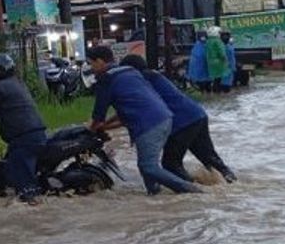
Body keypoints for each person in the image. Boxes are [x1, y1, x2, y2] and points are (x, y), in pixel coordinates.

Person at [87, 45, 203, 195]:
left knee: (148, 166)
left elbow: (98, 116)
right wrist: (104, 126)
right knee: (146, 165)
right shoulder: (129, 71)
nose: (91, 67)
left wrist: (90, 129)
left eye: (91, 63)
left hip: (149, 125)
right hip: (165, 118)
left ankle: (192, 191)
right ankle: (154, 194)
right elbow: (128, 113)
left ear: (100, 61)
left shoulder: (105, 79)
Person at [120, 54, 237, 184]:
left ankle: (192, 188)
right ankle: (231, 182)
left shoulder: (141, 81)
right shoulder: (153, 75)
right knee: (209, 157)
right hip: (197, 114)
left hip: (180, 122)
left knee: (170, 164)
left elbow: (138, 110)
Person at [0, 53, 48, 206]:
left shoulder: (0, 88)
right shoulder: (17, 83)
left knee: (24, 185)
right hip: (34, 135)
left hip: (23, 140)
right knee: (7, 171)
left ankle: (34, 206)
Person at [204, 26, 230, 92]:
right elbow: (221, 52)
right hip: (218, 63)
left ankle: (214, 91)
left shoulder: (208, 41)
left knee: (215, 78)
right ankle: (217, 92)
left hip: (210, 62)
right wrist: (225, 59)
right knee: (218, 79)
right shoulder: (218, 41)